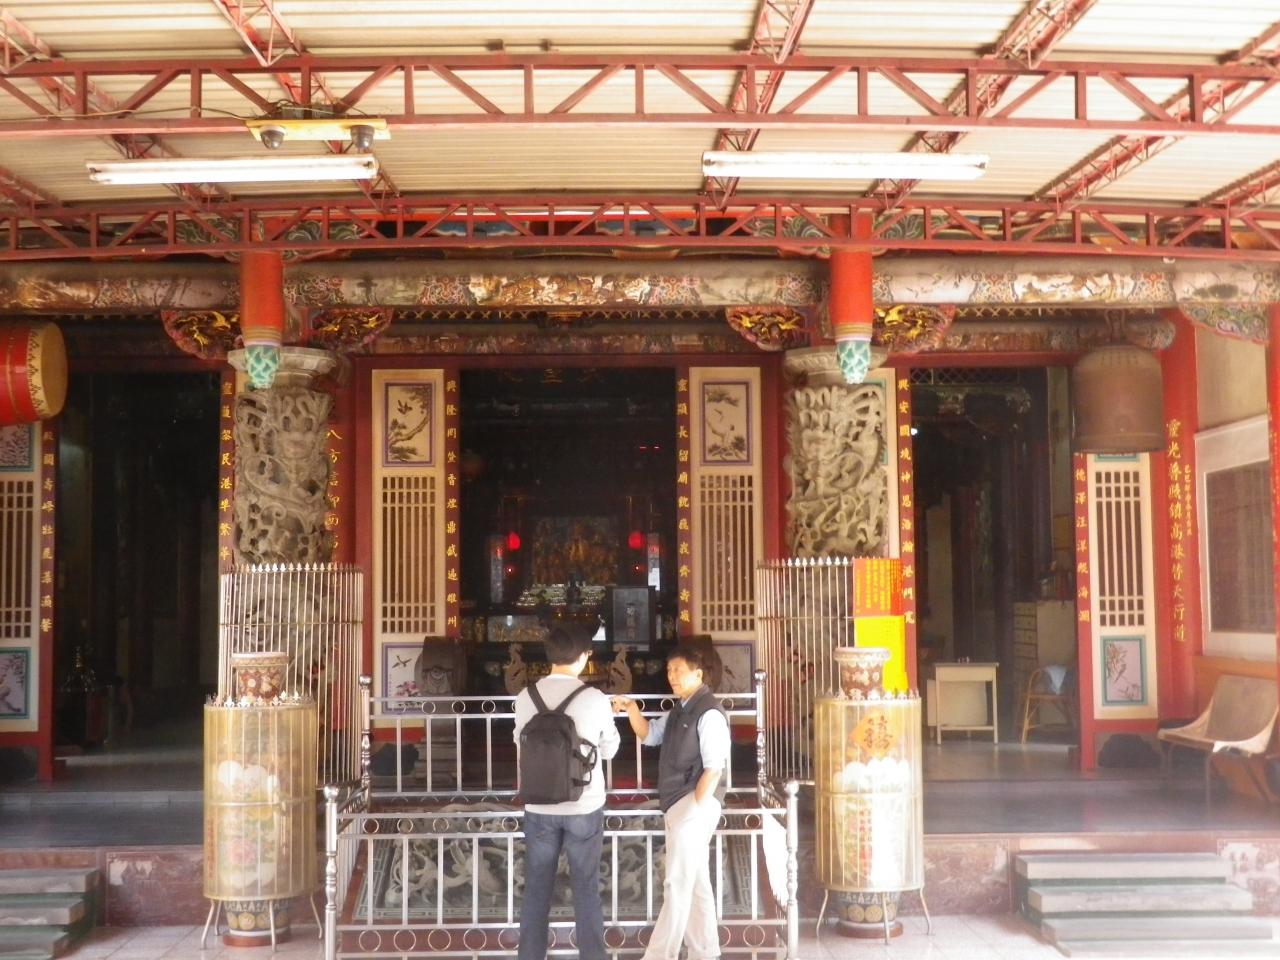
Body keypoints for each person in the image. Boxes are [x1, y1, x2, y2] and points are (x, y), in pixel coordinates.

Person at [613, 644, 729, 960]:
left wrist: (696, 807)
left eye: (678, 670)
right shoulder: (680, 711)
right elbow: (650, 735)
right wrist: (632, 709)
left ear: (698, 674)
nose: (672, 676)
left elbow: (714, 768)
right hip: (680, 803)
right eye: (669, 670)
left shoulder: (709, 713)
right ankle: (706, 952)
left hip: (693, 804)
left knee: (676, 884)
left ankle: (659, 955)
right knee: (697, 883)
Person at [513, 624, 620, 960]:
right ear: (584, 656)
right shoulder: (595, 698)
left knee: (536, 890)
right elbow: (610, 749)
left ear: (549, 656)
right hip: (584, 806)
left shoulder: (526, 697)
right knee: (586, 888)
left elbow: (519, 742)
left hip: (539, 806)